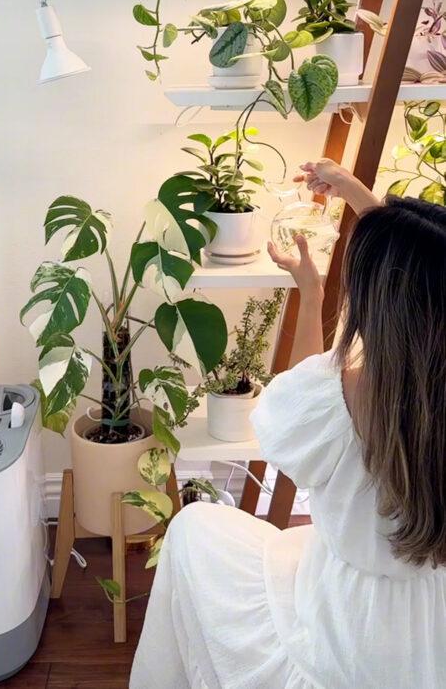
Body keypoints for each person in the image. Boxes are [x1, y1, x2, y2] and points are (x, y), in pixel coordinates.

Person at [130, 159, 446, 689]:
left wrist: (310, 292)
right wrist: (356, 194)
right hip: (427, 617)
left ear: (377, 301)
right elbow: (426, 274)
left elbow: (289, 413)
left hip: (343, 625)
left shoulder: (343, 394)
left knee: (191, 530)